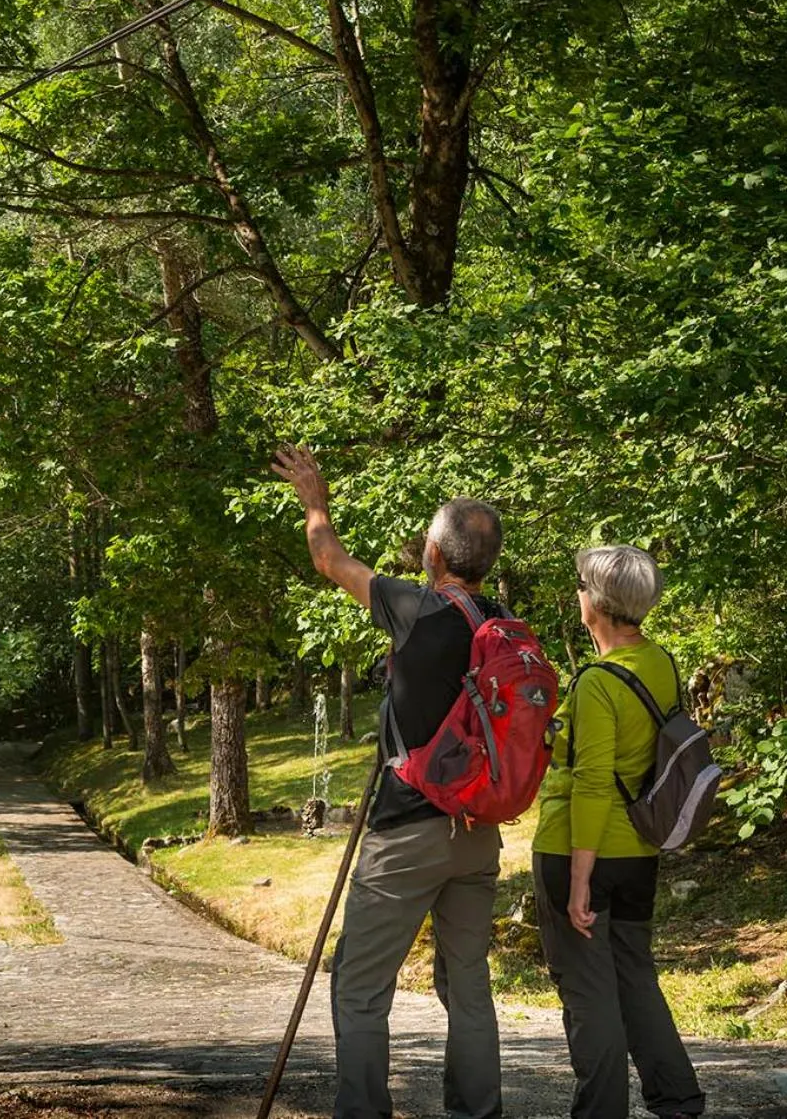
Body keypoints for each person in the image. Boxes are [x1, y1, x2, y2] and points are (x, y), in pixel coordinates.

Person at [272, 444, 505, 1119]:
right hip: (477, 833)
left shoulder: (415, 607)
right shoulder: (500, 624)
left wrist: (315, 500)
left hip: (407, 829)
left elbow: (330, 560)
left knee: (359, 985)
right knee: (468, 986)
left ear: (434, 555)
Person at [532, 545, 705, 1119]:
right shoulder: (662, 663)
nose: (577, 593)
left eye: (580, 584)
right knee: (635, 974)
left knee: (587, 993)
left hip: (580, 849)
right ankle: (677, 1099)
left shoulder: (597, 682)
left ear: (597, 604)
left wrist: (579, 880)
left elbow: (593, 783)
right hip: (639, 852)